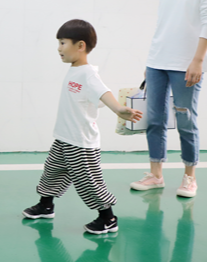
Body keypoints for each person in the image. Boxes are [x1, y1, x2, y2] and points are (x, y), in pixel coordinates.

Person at [23, 19, 143, 234]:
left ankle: (108, 218)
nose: (58, 48)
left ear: (80, 46)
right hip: (64, 137)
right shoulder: (73, 71)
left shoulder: (88, 73)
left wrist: (117, 109)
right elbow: (91, 100)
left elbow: (103, 92)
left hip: (81, 142)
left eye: (63, 43)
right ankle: (45, 205)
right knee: (51, 172)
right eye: (58, 43)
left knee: (88, 181)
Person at [130, 0, 207, 198]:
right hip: (158, 61)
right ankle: (156, 174)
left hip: (187, 63)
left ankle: (189, 177)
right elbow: (163, 26)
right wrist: (150, 61)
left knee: (185, 120)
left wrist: (198, 60)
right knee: (155, 119)